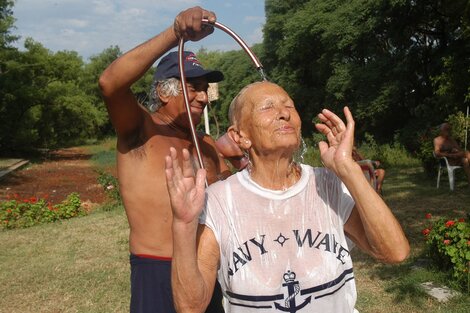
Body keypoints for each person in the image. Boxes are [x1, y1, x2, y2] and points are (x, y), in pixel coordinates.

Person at [165, 81, 410, 312]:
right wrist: (183, 224)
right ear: (240, 136)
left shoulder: (327, 186)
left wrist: (348, 169)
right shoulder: (220, 201)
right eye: (267, 107)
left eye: (289, 106)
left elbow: (394, 252)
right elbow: (190, 307)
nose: (284, 113)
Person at [99, 6, 229, 313]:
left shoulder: (207, 144)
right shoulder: (141, 130)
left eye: (205, 89)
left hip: (208, 269)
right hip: (157, 270)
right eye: (193, 87)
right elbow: (110, 84)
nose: (203, 97)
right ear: (164, 90)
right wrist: (175, 33)